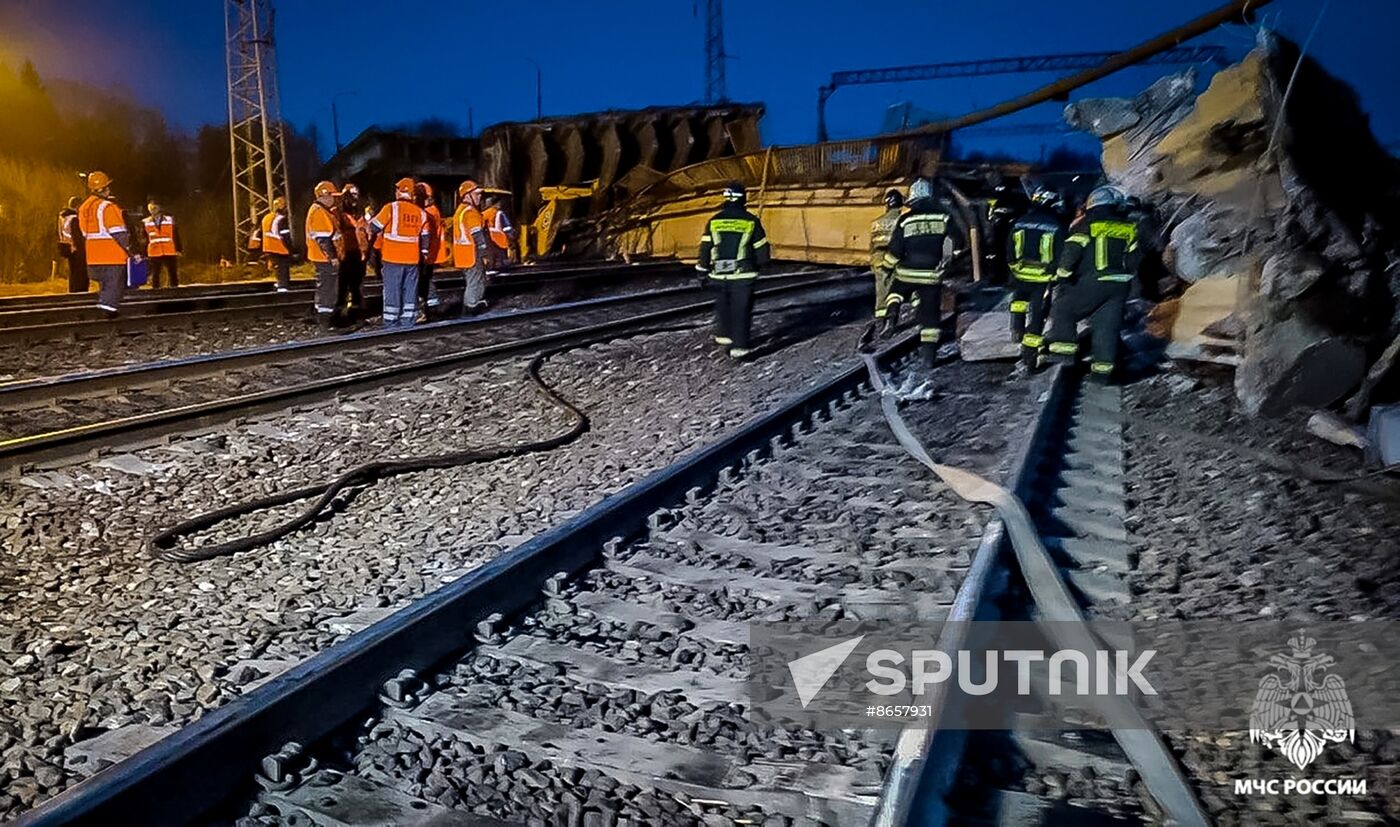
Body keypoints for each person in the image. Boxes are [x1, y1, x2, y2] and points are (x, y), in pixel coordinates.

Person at [1043, 185, 1145, 385]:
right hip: (1120, 286)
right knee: (1106, 328)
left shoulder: (1085, 224)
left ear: (1092, 205)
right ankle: (1102, 374)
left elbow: (1071, 252)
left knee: (1064, 310)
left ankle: (1064, 355)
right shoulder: (1128, 226)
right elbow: (1134, 260)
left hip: (1092, 281)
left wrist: (1062, 276)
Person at [883, 176, 964, 391]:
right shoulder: (943, 217)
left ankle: (892, 314)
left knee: (895, 291)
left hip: (906, 271)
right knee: (930, 318)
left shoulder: (905, 220)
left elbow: (895, 250)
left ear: (912, 198)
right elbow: (959, 241)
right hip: (931, 274)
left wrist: (886, 267)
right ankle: (929, 357)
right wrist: (951, 259)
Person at [696, 182, 770, 360]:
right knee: (741, 309)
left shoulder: (714, 221)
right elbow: (763, 252)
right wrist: (759, 265)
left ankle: (724, 336)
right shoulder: (751, 221)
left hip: (719, 274)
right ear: (743, 198)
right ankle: (739, 347)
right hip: (743, 275)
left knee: (723, 305)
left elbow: (705, 248)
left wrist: (702, 271)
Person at [1006, 187, 1067, 371]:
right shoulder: (1056, 225)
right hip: (1043, 277)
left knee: (1018, 302)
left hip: (1020, 273)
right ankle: (1029, 357)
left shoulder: (1020, 223)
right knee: (1037, 315)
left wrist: (1013, 267)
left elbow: (1009, 248)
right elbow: (1061, 253)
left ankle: (1016, 329)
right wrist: (1057, 275)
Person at [369, 177, 431, 328]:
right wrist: (423, 253)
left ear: (399, 191)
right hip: (412, 260)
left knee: (393, 290)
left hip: (392, 258)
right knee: (410, 290)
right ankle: (408, 321)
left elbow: (374, 227)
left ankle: (391, 322)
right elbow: (425, 237)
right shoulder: (421, 213)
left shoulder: (390, 208)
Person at [77, 171, 136, 316]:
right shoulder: (107, 207)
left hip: (93, 257)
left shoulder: (84, 207)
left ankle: (105, 306)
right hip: (112, 256)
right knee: (114, 287)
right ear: (105, 188)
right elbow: (119, 233)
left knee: (106, 286)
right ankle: (107, 314)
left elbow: (84, 233)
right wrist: (131, 250)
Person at [305, 181, 343, 329]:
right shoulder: (320, 212)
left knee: (325, 286)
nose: (334, 199)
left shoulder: (321, 210)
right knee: (328, 287)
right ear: (325, 195)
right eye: (332, 196)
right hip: (323, 257)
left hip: (320, 256)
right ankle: (326, 321)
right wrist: (332, 257)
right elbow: (323, 239)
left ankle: (322, 316)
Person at [452, 180, 491, 316]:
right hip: (472, 253)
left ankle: (470, 306)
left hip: (462, 253)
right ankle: (471, 309)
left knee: (472, 280)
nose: (479, 197)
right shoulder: (471, 212)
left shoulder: (460, 211)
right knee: (475, 281)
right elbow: (477, 235)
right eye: (476, 194)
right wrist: (484, 254)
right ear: (467, 195)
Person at [870, 188, 904, 337]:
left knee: (881, 292)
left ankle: (880, 322)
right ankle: (892, 320)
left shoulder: (876, 223)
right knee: (896, 291)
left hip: (878, 260)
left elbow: (871, 246)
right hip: (896, 258)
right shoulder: (902, 220)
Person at [336, 183, 368, 325]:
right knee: (344, 282)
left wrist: (365, 249)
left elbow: (363, 230)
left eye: (356, 194)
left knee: (357, 282)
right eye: (352, 195)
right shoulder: (339, 213)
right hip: (345, 251)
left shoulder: (359, 212)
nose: (355, 198)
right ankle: (341, 311)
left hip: (358, 251)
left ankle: (356, 308)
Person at [416, 182, 444, 317]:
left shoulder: (429, 212)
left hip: (426, 253)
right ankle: (431, 304)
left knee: (424, 279)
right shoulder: (433, 210)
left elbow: (425, 234)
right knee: (426, 279)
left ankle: (431, 306)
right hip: (430, 252)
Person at [143, 201, 181, 289]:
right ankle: (155, 291)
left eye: (155, 208)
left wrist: (178, 248)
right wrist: (143, 252)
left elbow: (175, 234)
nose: (153, 210)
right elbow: (144, 239)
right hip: (154, 251)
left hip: (169, 250)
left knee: (172, 272)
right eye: (151, 208)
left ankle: (174, 290)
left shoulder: (169, 219)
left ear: (159, 208)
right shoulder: (145, 222)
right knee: (155, 273)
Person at [260, 196, 294, 292]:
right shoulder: (282, 219)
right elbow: (285, 235)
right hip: (280, 247)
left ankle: (279, 283)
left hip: (268, 247)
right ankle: (283, 286)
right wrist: (291, 249)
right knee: (283, 267)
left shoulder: (266, 218)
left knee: (277, 267)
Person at [57, 197, 86, 293]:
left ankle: (73, 292)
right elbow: (77, 237)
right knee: (80, 275)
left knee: (73, 274)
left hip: (68, 248)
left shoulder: (64, 217)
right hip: (77, 251)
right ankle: (80, 293)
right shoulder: (74, 219)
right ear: (78, 206)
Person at [482, 194, 517, 269]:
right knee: (501, 261)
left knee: (492, 260)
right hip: (499, 238)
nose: (500, 204)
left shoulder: (483, 214)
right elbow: (507, 227)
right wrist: (511, 237)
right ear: (495, 203)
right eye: (498, 202)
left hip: (488, 239)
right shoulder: (499, 213)